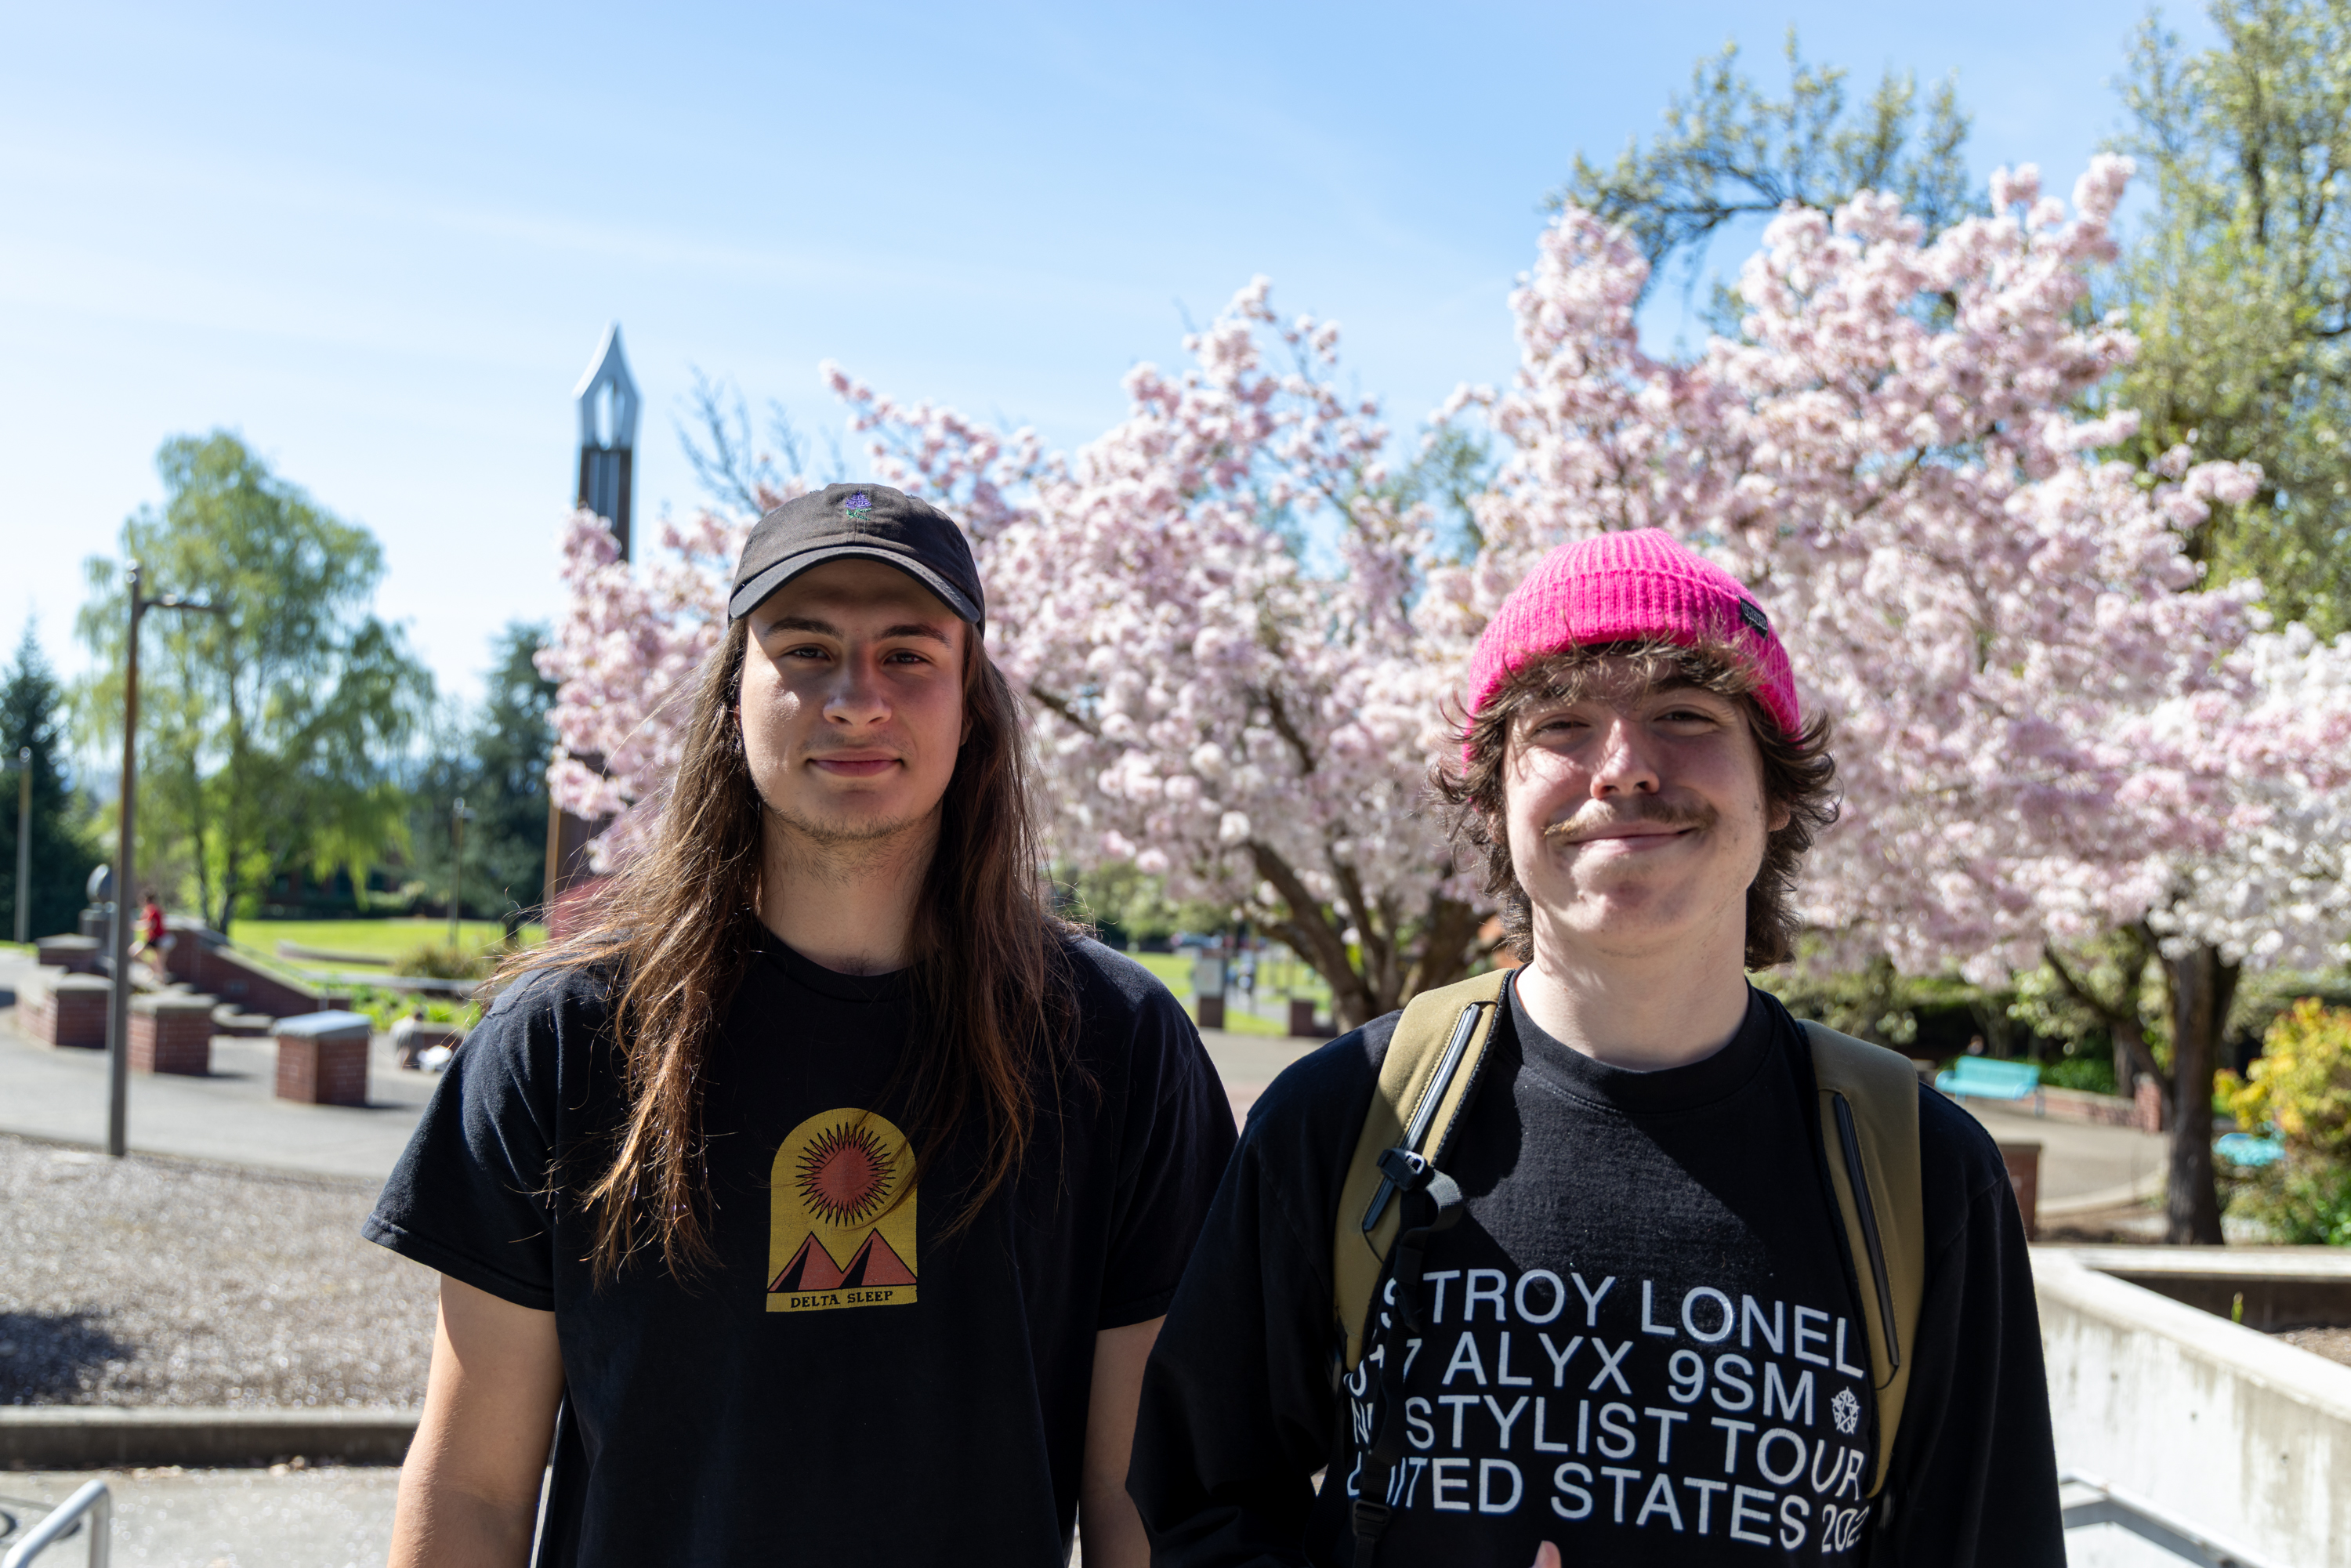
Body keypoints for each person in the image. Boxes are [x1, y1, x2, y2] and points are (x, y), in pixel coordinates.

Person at [1128, 531, 2063, 1565]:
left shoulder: (1922, 1176)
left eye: (1686, 715)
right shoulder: (1348, 1117)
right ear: (1492, 797)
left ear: (1777, 788)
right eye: (1564, 724)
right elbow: (1203, 1498)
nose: (1622, 768)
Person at [366, 483, 1237, 1566]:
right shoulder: (565, 1042)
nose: (857, 697)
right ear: (735, 693)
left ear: (973, 701)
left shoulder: (1118, 1044)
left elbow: (1137, 1502)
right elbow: (472, 1489)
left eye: (910, 654)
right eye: (808, 648)